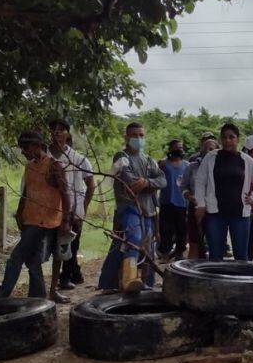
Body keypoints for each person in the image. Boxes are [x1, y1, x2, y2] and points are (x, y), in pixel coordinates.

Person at [0, 132, 71, 299]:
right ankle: (38, 297)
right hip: (30, 219)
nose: (23, 152)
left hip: (45, 221)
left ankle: (2, 293)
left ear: (37, 146)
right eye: (22, 148)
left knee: (16, 257)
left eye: (25, 148)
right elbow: (26, 193)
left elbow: (65, 194)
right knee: (33, 262)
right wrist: (19, 212)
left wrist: (66, 220)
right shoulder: (29, 167)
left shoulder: (54, 166)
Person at [98, 122, 168, 294]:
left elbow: (163, 180)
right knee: (133, 240)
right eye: (134, 135)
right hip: (128, 208)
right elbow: (130, 182)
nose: (138, 139)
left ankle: (146, 283)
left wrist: (146, 182)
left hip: (148, 210)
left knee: (146, 247)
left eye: (141, 135)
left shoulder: (149, 160)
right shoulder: (121, 157)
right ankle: (128, 280)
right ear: (126, 137)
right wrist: (150, 183)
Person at [195, 123, 253, 261]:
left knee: (241, 256)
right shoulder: (211, 157)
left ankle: (240, 283)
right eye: (224, 138)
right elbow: (200, 181)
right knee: (215, 255)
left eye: (231, 137)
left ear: (237, 139)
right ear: (221, 140)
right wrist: (201, 204)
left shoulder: (245, 160)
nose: (228, 140)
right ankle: (216, 282)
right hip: (215, 214)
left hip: (240, 214)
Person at [48, 118, 95, 298]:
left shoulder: (79, 159)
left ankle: (66, 277)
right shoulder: (44, 157)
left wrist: (82, 208)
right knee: (50, 246)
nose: (58, 132)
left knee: (70, 246)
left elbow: (90, 184)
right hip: (49, 210)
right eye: (54, 129)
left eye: (62, 129)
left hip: (73, 211)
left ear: (67, 133)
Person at [181, 132, 217, 259]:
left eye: (211, 149)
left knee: (214, 243)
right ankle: (191, 272)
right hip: (194, 208)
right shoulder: (192, 167)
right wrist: (189, 196)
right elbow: (183, 186)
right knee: (195, 242)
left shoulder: (220, 168)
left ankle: (214, 273)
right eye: (206, 148)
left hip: (213, 209)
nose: (208, 151)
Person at [157, 139, 189, 261]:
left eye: (181, 147)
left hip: (182, 202)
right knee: (165, 229)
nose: (179, 150)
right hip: (166, 201)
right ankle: (165, 252)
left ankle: (179, 252)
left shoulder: (186, 165)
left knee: (182, 228)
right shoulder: (163, 164)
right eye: (176, 147)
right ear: (170, 149)